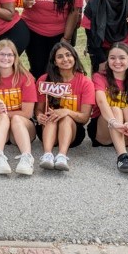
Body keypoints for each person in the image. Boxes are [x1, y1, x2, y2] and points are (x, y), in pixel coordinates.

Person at [0, 40, 38, 176]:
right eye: (2, 54)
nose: (6, 58)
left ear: (15, 57)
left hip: (20, 127)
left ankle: (27, 158)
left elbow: (27, 114)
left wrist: (6, 113)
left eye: (10, 55)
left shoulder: (26, 78)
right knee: (3, 118)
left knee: (16, 118)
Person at [90, 43, 128, 174]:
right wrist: (114, 123)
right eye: (112, 58)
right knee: (115, 109)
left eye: (122, 58)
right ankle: (122, 156)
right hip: (105, 128)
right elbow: (101, 102)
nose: (117, 62)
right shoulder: (99, 77)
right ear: (107, 60)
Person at [34, 42, 94, 172]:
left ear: (74, 57)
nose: (65, 59)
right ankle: (47, 155)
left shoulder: (85, 82)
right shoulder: (44, 79)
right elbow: (38, 109)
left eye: (68, 55)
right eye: (60, 56)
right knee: (52, 116)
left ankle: (62, 156)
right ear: (54, 62)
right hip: (47, 128)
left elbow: (84, 118)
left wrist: (66, 111)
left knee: (65, 117)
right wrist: (39, 116)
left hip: (73, 131)